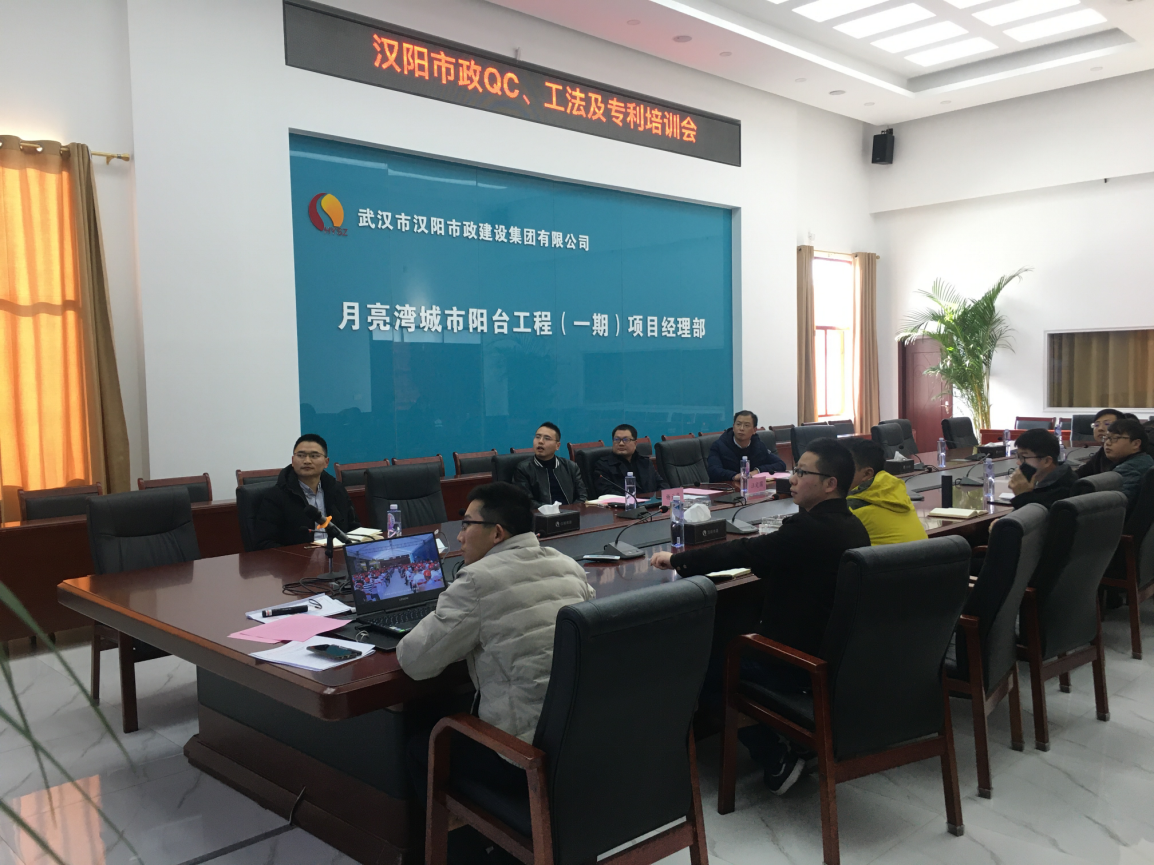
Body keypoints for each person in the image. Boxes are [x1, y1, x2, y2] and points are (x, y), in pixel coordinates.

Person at [651, 438, 869, 795]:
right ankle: (797, 740)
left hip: (798, 663)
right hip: (832, 656)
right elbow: (771, 560)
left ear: (830, 484)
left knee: (705, 669)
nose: (792, 479)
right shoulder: (852, 526)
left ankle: (775, 758)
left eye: (802, 473)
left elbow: (745, 551)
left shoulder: (808, 529)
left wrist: (677, 560)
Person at [399, 482, 594, 834]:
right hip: (580, 744)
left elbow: (416, 662)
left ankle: (464, 852)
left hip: (522, 759)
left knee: (421, 745)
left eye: (466, 524)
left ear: (497, 533)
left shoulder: (476, 580)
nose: (459, 537)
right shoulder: (568, 566)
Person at [251, 433, 360, 549]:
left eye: (314, 456)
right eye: (301, 455)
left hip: (337, 553)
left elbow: (354, 528)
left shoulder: (337, 490)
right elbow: (264, 543)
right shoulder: (276, 495)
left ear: (326, 462)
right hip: (299, 557)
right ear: (293, 460)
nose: (307, 461)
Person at [845, 439, 928, 545]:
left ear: (867, 474)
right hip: (924, 555)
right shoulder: (896, 492)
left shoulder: (853, 508)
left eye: (844, 468)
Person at [511, 422, 587, 507]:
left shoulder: (571, 467)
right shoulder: (523, 469)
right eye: (537, 437)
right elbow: (526, 501)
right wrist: (551, 511)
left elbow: (582, 496)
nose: (540, 441)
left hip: (571, 513)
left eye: (547, 438)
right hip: (541, 514)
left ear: (557, 446)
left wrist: (571, 511)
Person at [706, 410, 786, 483]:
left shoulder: (759, 446)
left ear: (754, 430)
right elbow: (713, 470)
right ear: (733, 427)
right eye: (738, 424)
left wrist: (757, 471)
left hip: (753, 489)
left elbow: (780, 464)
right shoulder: (719, 445)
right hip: (727, 489)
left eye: (746, 425)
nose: (741, 428)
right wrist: (735, 476)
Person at [1007, 428, 1077, 509]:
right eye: (1018, 457)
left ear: (1046, 461)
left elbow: (1032, 515)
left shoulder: (1060, 492)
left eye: (1024, 457)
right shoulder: (1061, 476)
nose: (1018, 463)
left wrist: (1022, 496)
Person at [592, 424, 667, 498]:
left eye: (626, 440)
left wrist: (659, 498)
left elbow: (662, 484)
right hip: (623, 505)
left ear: (635, 443)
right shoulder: (603, 465)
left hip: (651, 504)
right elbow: (606, 492)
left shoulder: (645, 462)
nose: (621, 443)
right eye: (617, 440)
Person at [1104, 418, 1154, 507]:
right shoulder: (1147, 459)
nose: (1107, 443)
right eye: (1107, 438)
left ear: (1136, 444)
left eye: (1115, 438)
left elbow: (1114, 505)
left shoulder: (1128, 470)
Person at [1075, 408, 1122, 479]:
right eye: (1096, 425)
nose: (1100, 428)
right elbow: (1081, 473)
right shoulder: (1101, 452)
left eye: (1107, 424)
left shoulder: (1121, 453)